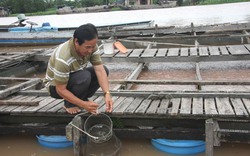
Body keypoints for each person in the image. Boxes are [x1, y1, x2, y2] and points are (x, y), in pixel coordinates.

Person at [43, 23, 113, 114]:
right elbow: (60, 89)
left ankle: (81, 98)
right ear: (76, 42)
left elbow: (99, 70)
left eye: (93, 47)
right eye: (87, 47)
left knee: (104, 70)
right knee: (84, 76)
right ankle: (69, 104)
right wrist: (84, 105)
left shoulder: (92, 46)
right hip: (55, 87)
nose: (90, 50)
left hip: (74, 77)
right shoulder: (63, 58)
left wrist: (107, 94)